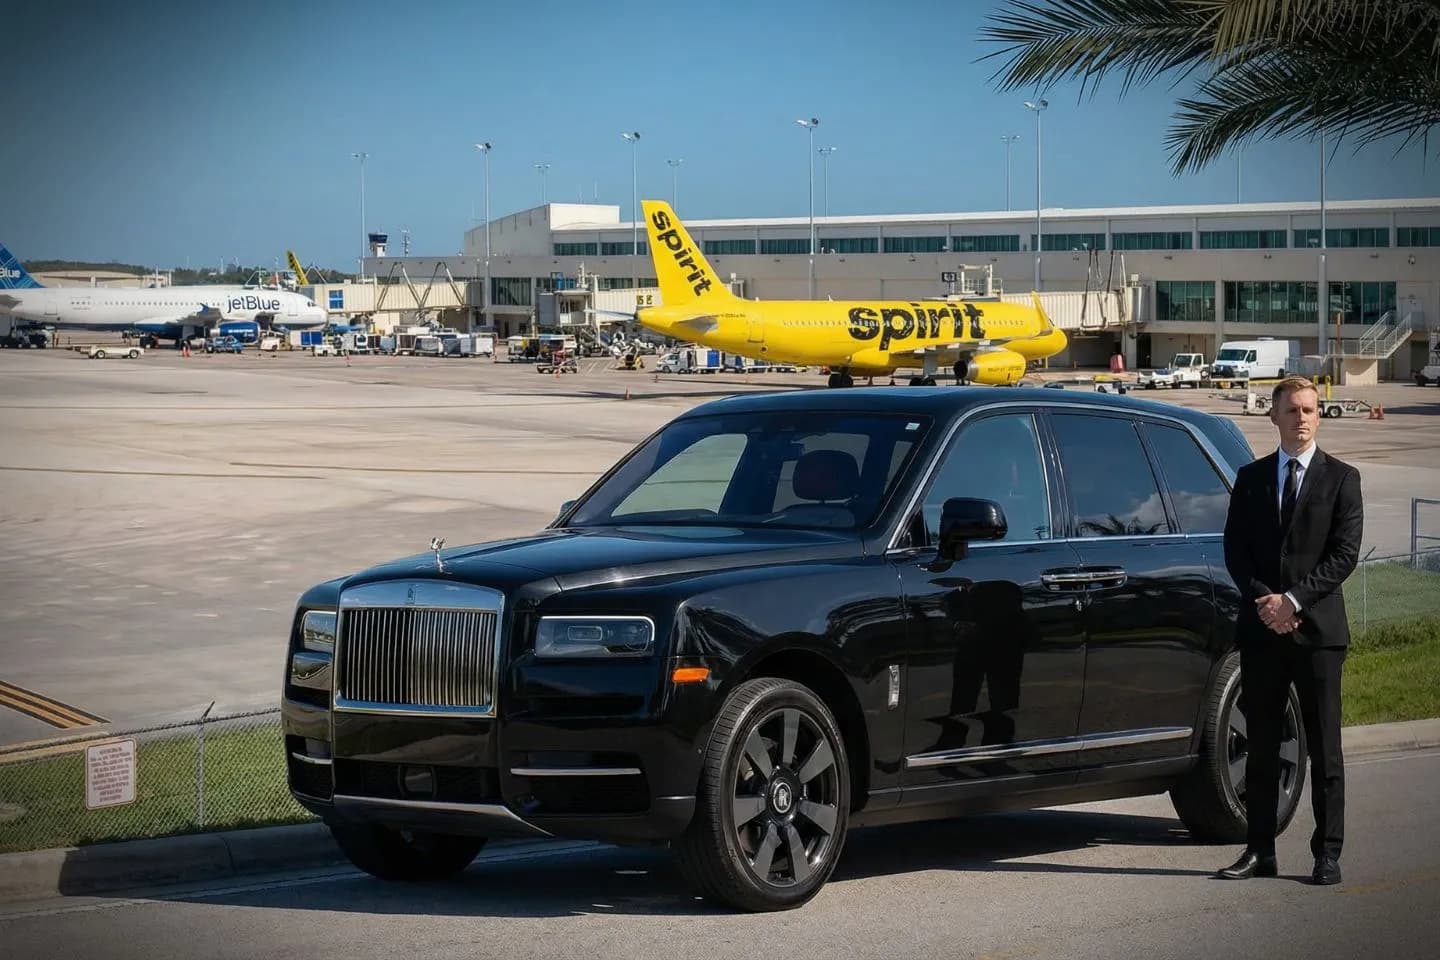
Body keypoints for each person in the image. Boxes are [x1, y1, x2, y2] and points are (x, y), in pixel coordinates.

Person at [1218, 376, 1363, 886]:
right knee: (1260, 746)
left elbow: (1343, 555)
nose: (1302, 418)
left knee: (1324, 749)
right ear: (1274, 416)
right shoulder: (1251, 478)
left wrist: (1294, 601)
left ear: (1318, 416)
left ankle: (1327, 853)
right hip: (1262, 631)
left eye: (1309, 409)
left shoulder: (1342, 479)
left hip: (1318, 633)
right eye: (1292, 410)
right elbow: (1234, 550)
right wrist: (1267, 602)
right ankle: (1260, 850)